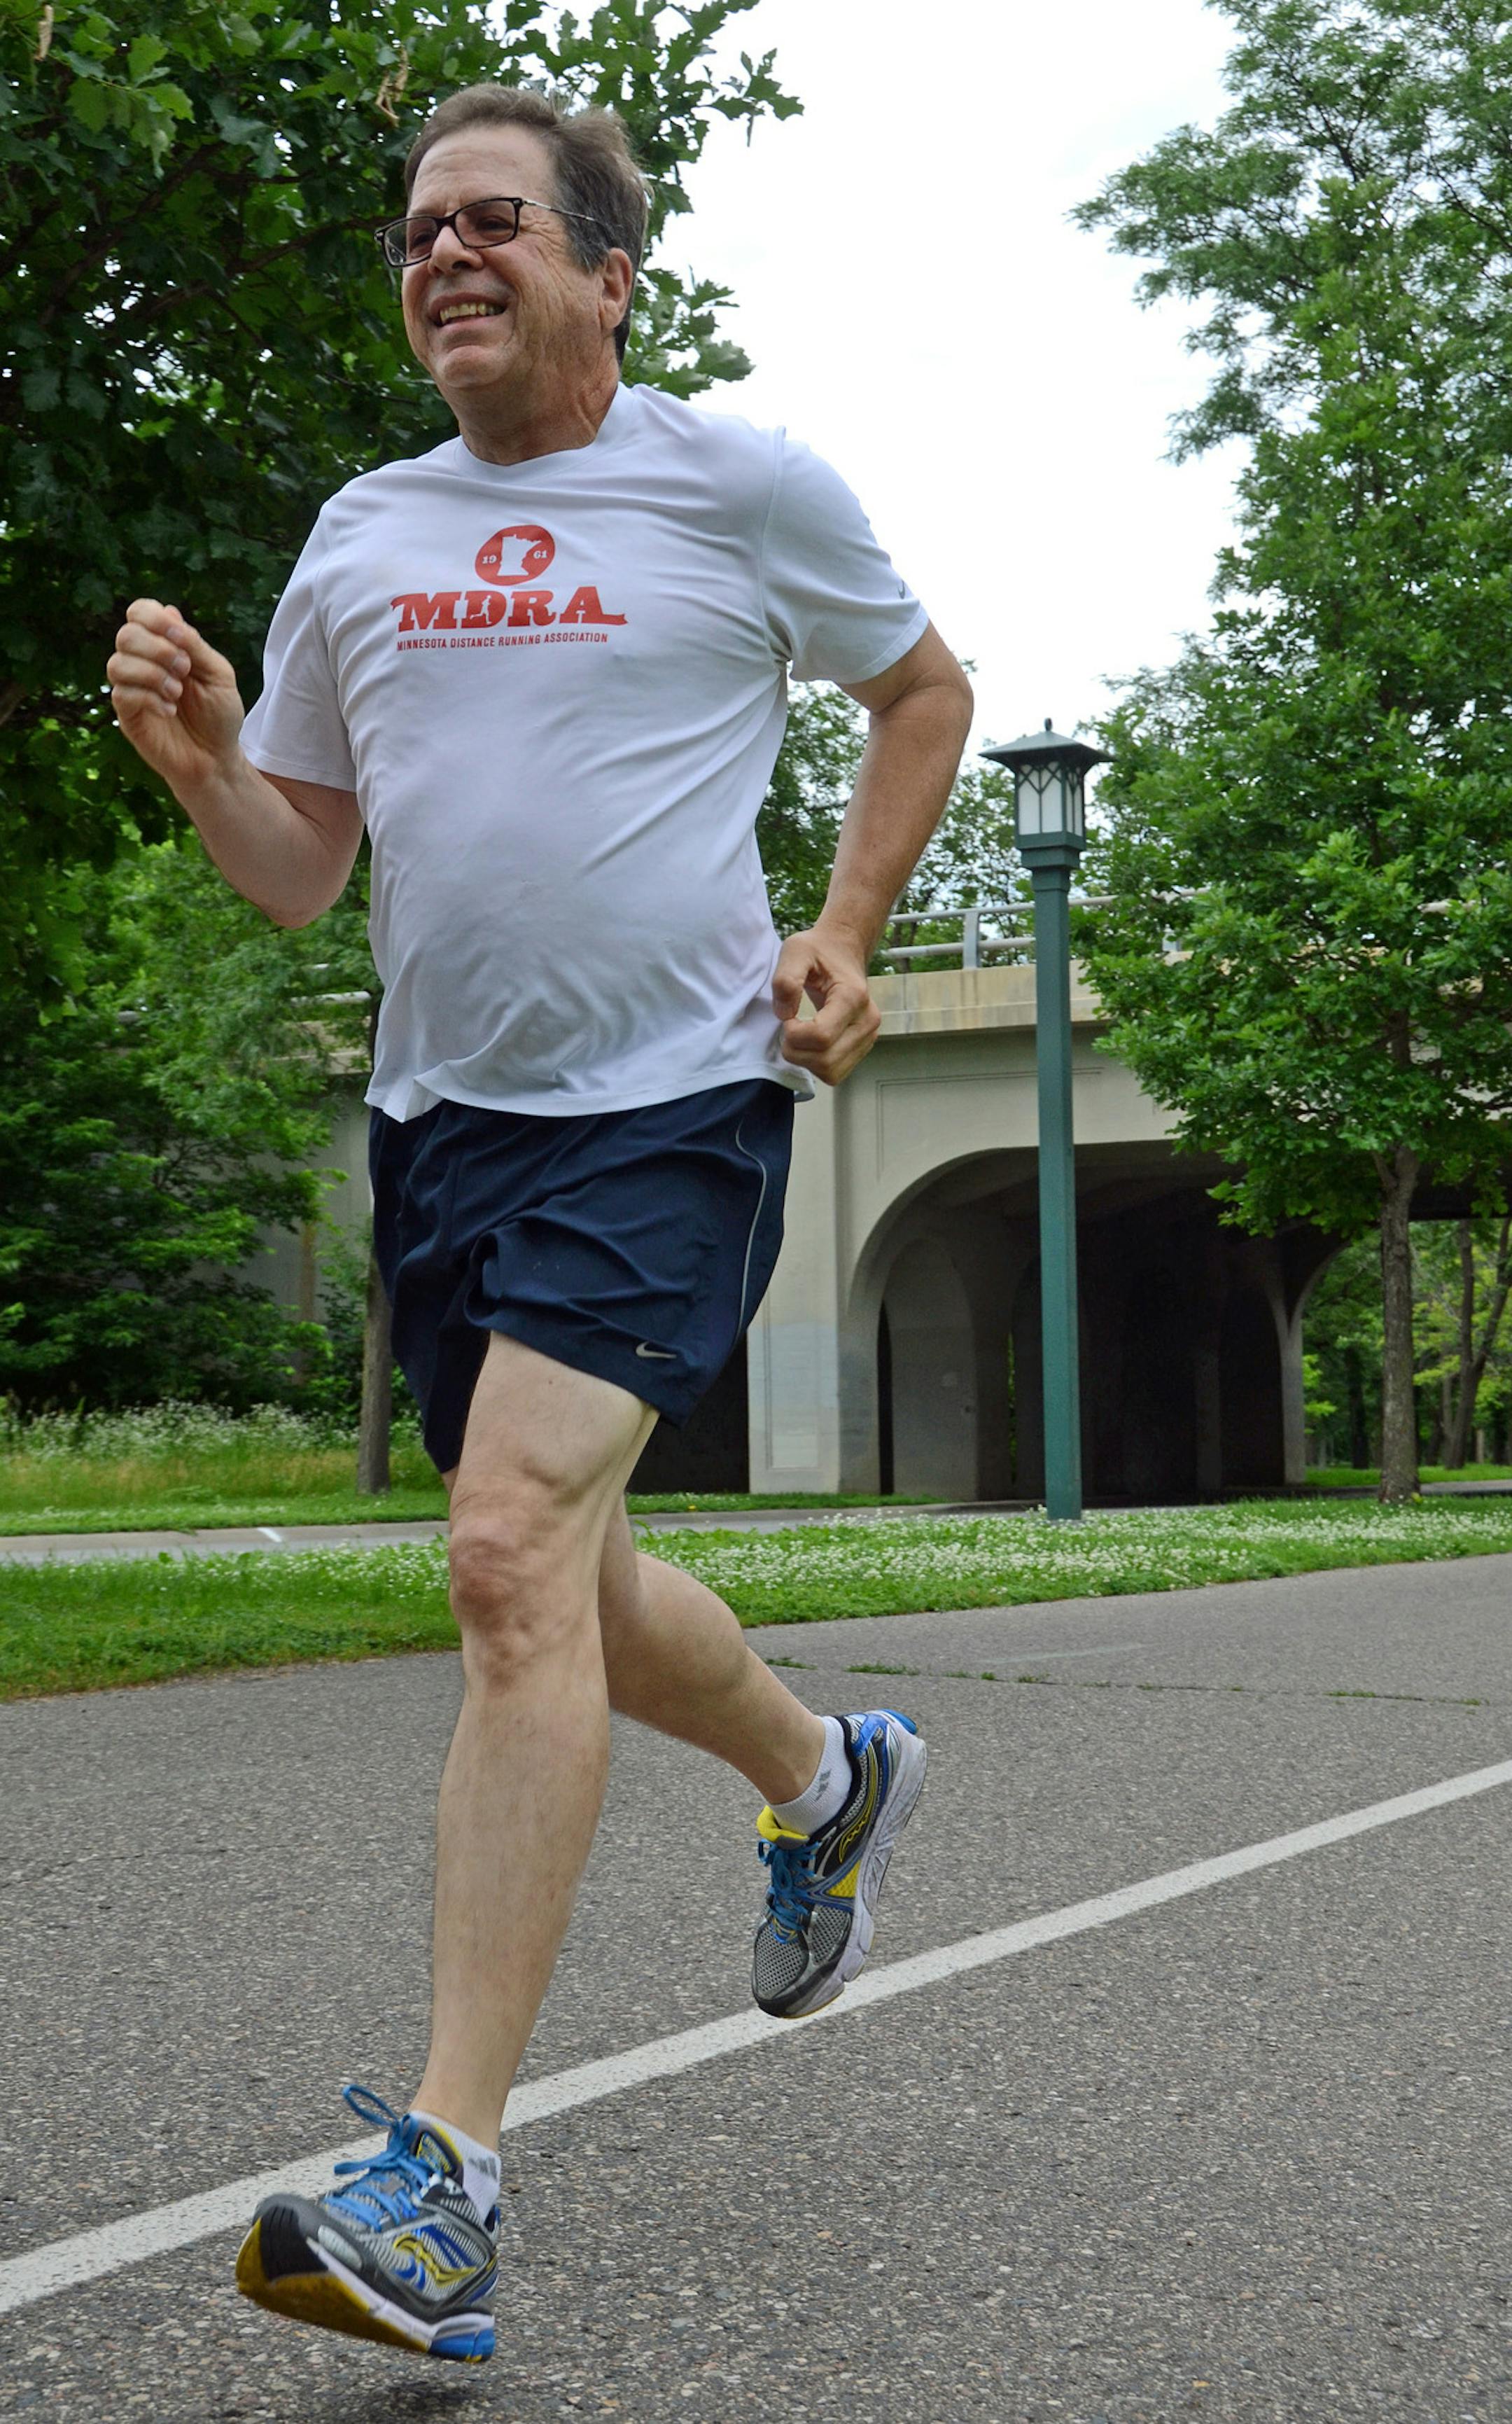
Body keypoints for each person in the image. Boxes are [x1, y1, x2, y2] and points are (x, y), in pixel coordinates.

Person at [107, 85, 973, 2367]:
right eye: (418, 235)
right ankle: (823, 1772)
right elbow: (309, 864)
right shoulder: (362, 536)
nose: (445, 258)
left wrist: (850, 923)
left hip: (673, 1099)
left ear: (610, 269)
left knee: (499, 1553)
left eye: (494, 222)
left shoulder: (737, 485)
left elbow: (921, 691)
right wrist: (205, 766)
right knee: (563, 1577)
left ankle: (447, 2184)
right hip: (444, 1126)